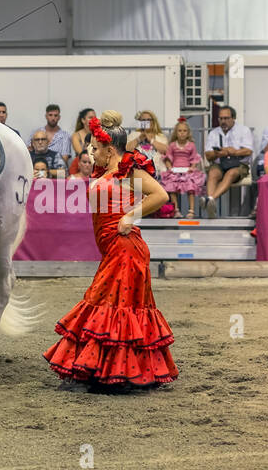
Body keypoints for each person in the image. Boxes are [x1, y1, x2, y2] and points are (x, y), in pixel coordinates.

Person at [43, 111, 177, 389]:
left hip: (126, 249)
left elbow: (161, 196)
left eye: (94, 148)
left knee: (111, 307)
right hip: (113, 248)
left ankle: (114, 374)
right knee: (113, 307)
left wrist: (130, 216)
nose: (90, 153)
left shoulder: (129, 172)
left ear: (110, 149)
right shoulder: (106, 173)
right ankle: (113, 370)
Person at [204, 106, 255, 216]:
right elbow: (208, 155)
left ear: (233, 118)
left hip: (240, 165)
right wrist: (218, 153)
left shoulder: (243, 130)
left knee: (231, 173)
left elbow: (248, 151)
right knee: (212, 173)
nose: (223, 121)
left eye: (226, 118)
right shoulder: (213, 133)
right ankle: (211, 204)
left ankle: (210, 199)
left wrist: (232, 152)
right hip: (219, 164)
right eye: (221, 119)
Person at [159, 118, 205, 217]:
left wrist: (192, 167)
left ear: (188, 133)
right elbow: (168, 158)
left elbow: (194, 158)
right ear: (176, 132)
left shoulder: (191, 145)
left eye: (184, 131)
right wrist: (169, 168)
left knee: (190, 186)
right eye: (180, 131)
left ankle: (191, 211)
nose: (182, 133)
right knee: (171, 186)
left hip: (187, 170)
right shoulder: (172, 145)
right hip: (175, 170)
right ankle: (176, 210)